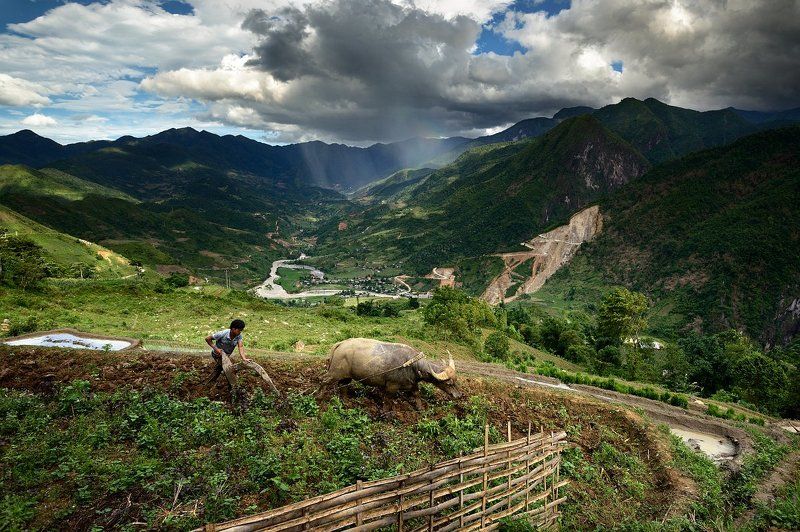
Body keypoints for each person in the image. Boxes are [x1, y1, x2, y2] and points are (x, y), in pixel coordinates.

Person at [205, 319, 249, 384]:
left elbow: (240, 346)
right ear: (233, 329)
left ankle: (211, 381)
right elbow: (207, 339)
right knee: (223, 368)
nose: (240, 332)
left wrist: (244, 358)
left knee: (223, 368)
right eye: (239, 330)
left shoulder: (239, 336)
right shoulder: (223, 334)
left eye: (241, 330)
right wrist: (216, 349)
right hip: (217, 354)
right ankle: (210, 382)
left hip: (226, 356)